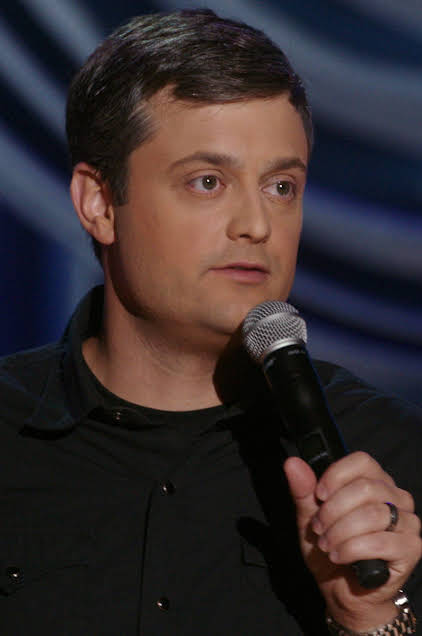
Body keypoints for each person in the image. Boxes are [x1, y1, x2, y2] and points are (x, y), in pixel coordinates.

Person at [1, 9, 421, 636]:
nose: (256, 225)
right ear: (99, 203)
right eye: (207, 181)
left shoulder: (386, 457)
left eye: (281, 187)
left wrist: (369, 617)